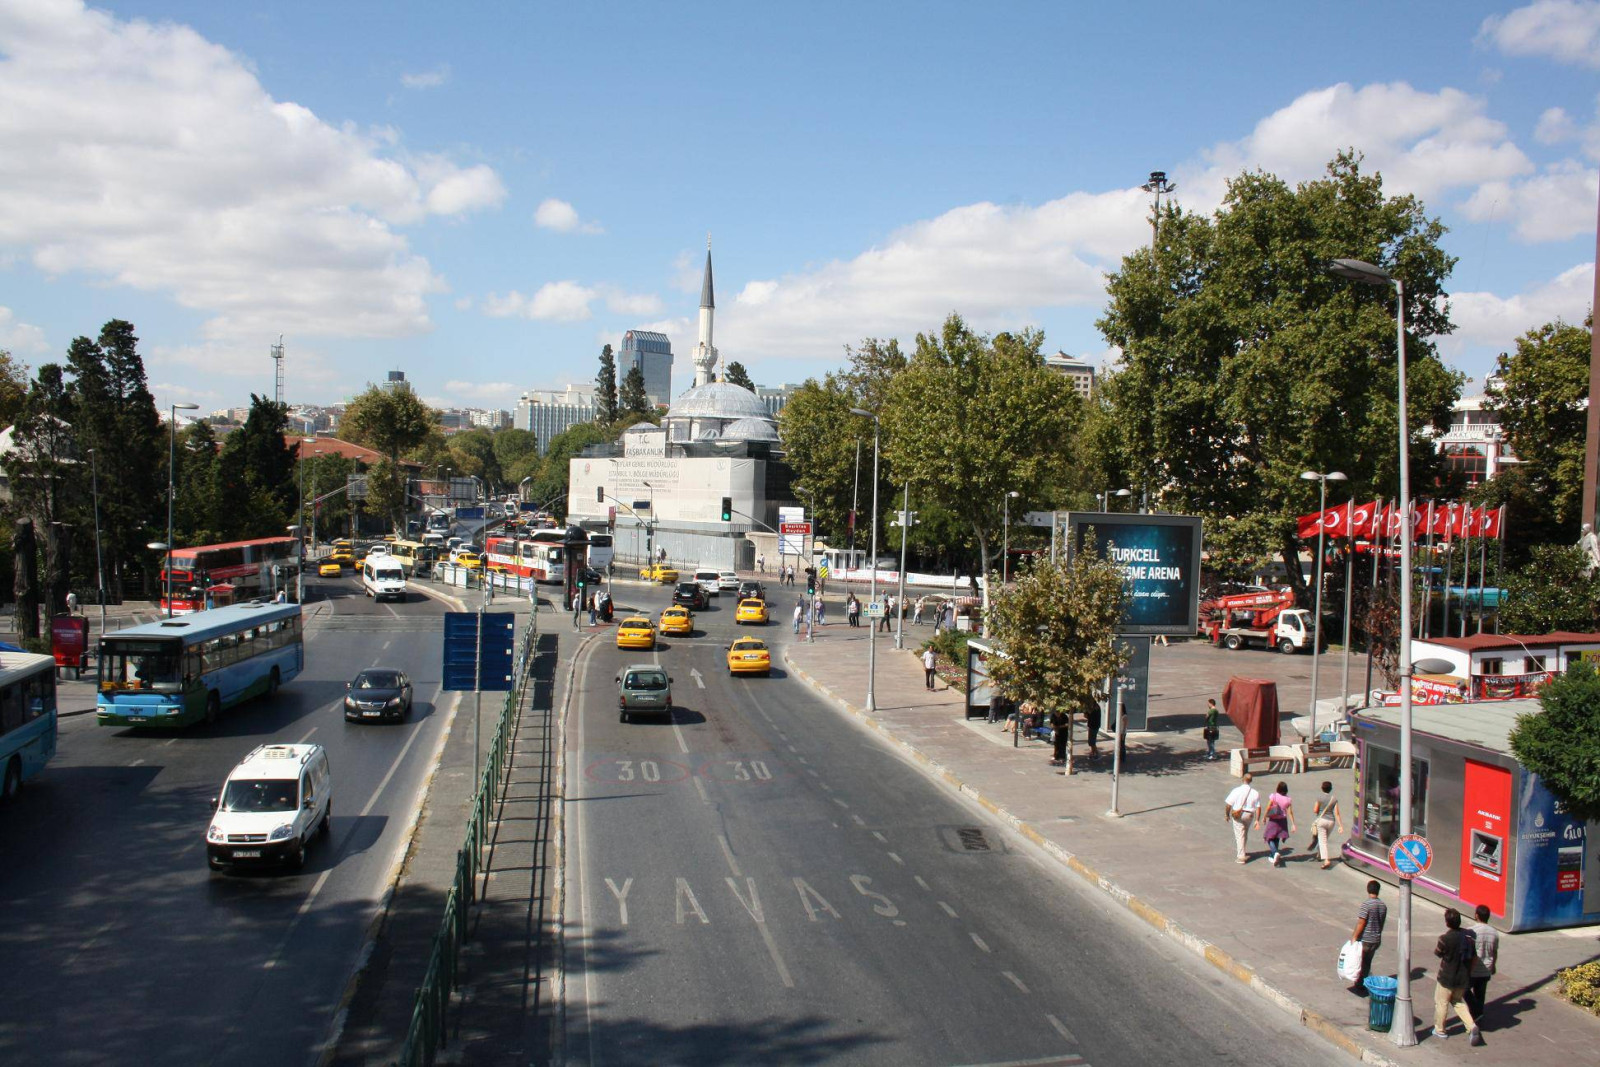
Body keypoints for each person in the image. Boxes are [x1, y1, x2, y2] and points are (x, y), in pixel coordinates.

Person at [1431, 908, 1483, 1045]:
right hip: (1462, 977)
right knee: (1458, 1002)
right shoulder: (1468, 938)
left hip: (1446, 977)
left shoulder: (1444, 939)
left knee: (1442, 1002)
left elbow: (1438, 953)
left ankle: (1440, 1030)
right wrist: (1469, 971)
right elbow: (1475, 958)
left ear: (1447, 923)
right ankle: (1471, 1026)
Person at [1350, 880, 1387, 992]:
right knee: (1367, 962)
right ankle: (1363, 982)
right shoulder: (1383, 906)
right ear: (1378, 891)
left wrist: (1354, 937)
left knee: (1358, 961)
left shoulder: (1366, 904)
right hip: (1375, 939)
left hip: (1365, 939)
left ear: (1368, 889)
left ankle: (1358, 983)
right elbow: (1382, 923)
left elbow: (1362, 922)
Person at [1465, 904, 1498, 1024]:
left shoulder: (1471, 931)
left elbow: (1468, 950)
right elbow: (1494, 951)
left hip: (1473, 969)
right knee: (1480, 994)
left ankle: (1476, 1011)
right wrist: (1494, 965)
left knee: (1464, 989)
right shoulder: (1494, 932)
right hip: (1486, 968)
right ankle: (1478, 1016)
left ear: (1476, 915)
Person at [1223, 772, 1261, 864]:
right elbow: (1258, 807)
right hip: (1249, 815)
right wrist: (1257, 820)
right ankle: (1242, 850)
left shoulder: (1236, 790)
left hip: (1238, 815)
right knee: (1245, 833)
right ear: (1251, 781)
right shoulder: (1255, 792)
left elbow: (1228, 805)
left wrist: (1227, 815)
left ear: (1242, 779)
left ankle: (1241, 857)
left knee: (1239, 834)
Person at [1258, 782, 1296, 867]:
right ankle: (1272, 856)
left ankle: (1275, 852)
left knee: (1268, 837)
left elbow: (1268, 807)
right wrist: (1293, 824)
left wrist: (1264, 817)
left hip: (1273, 819)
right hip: (1282, 820)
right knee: (1277, 837)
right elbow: (1290, 812)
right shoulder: (1288, 799)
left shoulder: (1274, 796)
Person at [1309, 780, 1345, 869]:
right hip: (1331, 822)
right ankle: (1319, 854)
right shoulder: (1334, 799)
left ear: (1322, 788)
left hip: (1322, 821)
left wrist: (1318, 811)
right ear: (1331, 789)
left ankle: (1326, 860)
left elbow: (1315, 810)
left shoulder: (1319, 797)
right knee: (1324, 839)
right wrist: (1341, 825)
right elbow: (1337, 813)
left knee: (1322, 841)